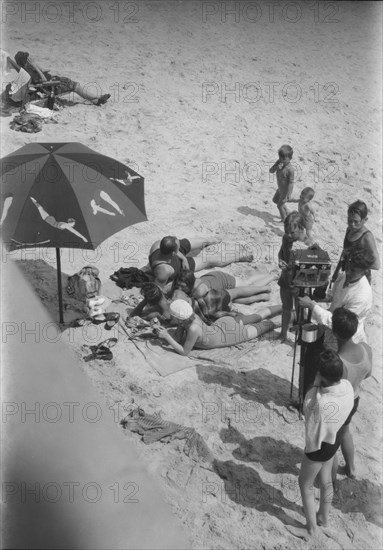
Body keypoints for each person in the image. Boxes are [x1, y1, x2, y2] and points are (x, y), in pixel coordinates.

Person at [287, 350, 354, 540]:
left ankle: (310, 529)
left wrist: (315, 384)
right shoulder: (348, 387)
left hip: (319, 446)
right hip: (334, 441)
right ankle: (323, 516)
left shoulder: (319, 402)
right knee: (326, 481)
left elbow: (308, 409)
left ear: (322, 376)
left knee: (305, 484)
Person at [298, 248, 374, 348]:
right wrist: (318, 295)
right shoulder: (344, 275)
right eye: (348, 267)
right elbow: (333, 296)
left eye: (353, 271)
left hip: (345, 340)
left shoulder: (362, 296)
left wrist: (312, 305)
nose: (348, 272)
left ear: (364, 272)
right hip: (331, 328)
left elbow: (341, 324)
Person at [331, 307, 372, 480]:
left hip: (339, 404)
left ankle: (331, 481)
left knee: (331, 441)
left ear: (335, 332)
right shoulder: (365, 348)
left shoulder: (338, 362)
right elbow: (368, 374)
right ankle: (351, 469)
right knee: (346, 431)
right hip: (354, 399)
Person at [155, 299, 281, 355]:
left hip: (230, 335)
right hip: (223, 324)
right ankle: (284, 307)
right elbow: (178, 337)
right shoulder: (189, 318)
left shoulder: (193, 328)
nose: (171, 318)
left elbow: (184, 352)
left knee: (267, 325)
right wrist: (163, 333)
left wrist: (167, 337)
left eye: (173, 316)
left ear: (178, 318)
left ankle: (293, 315)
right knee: (257, 316)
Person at [148, 236, 253, 289]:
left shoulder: (158, 244)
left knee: (190, 242)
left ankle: (209, 241)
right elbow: (158, 289)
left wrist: (183, 258)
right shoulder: (165, 271)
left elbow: (173, 250)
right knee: (209, 260)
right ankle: (239, 257)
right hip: (178, 266)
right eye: (177, 246)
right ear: (173, 252)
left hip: (175, 256)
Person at [14, 51, 110, 106]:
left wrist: (36, 65)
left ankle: (96, 99)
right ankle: (97, 98)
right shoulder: (29, 72)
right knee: (76, 86)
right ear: (25, 61)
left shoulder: (27, 68)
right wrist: (35, 66)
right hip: (50, 87)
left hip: (52, 81)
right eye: (28, 58)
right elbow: (43, 80)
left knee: (74, 84)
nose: (30, 59)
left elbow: (43, 70)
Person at [277, 212, 310, 342]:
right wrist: (280, 261)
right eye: (286, 232)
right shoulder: (286, 239)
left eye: (292, 232)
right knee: (286, 307)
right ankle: (283, 334)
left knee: (301, 311)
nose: (289, 235)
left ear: (301, 228)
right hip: (285, 280)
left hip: (300, 284)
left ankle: (301, 339)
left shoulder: (307, 244)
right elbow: (281, 252)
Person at [332, 200, 380, 284]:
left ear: (365, 220)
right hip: (347, 275)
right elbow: (345, 252)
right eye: (350, 220)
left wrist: (356, 262)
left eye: (356, 222)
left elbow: (376, 264)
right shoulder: (349, 230)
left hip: (360, 280)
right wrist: (336, 271)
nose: (352, 224)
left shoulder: (367, 237)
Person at [269, 144, 295, 222]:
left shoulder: (290, 170)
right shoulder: (278, 162)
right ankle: (287, 211)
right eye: (280, 158)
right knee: (275, 200)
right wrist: (277, 167)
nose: (281, 160)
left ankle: (284, 220)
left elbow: (291, 183)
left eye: (284, 159)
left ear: (290, 158)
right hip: (280, 189)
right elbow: (271, 171)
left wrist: (289, 195)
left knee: (279, 205)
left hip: (285, 192)